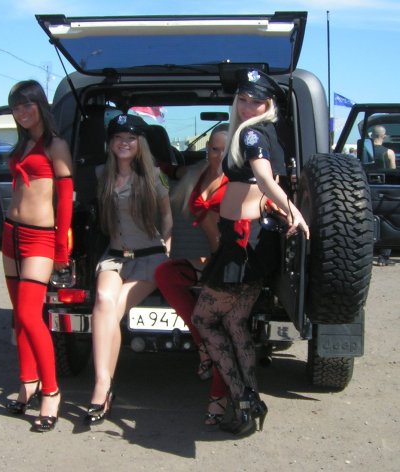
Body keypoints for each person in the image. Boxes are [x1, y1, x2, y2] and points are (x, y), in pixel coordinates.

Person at [191, 69, 310, 435]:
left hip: (243, 243)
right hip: (250, 240)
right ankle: (251, 402)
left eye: (255, 101)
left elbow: (264, 179)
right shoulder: (272, 132)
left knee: (204, 319)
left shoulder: (253, 133)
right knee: (234, 323)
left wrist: (293, 212)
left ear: (268, 103)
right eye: (242, 99)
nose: (246, 107)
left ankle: (243, 397)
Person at [85, 113, 173, 425]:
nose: (124, 142)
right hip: (114, 256)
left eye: (130, 138)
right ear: (110, 143)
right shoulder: (101, 174)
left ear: (140, 143)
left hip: (150, 256)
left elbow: (167, 216)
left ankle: (103, 388)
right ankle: (103, 382)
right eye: (118, 137)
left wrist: (168, 247)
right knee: (103, 301)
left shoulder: (156, 176)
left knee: (116, 306)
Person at [2, 80, 73, 432]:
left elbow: (66, 198)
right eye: (16, 107)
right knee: (19, 316)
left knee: (32, 315)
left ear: (40, 105)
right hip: (11, 234)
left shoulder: (55, 145)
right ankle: (27, 381)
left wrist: (61, 248)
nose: (22, 112)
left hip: (40, 237)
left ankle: (51, 391)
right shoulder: (22, 145)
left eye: (27, 104)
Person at [154, 124, 230, 425]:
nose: (219, 156)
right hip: (200, 260)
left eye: (226, 150)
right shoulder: (196, 173)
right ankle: (201, 346)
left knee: (217, 327)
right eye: (214, 149)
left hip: (229, 265)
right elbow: (172, 171)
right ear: (207, 149)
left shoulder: (241, 180)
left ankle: (219, 396)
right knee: (165, 274)